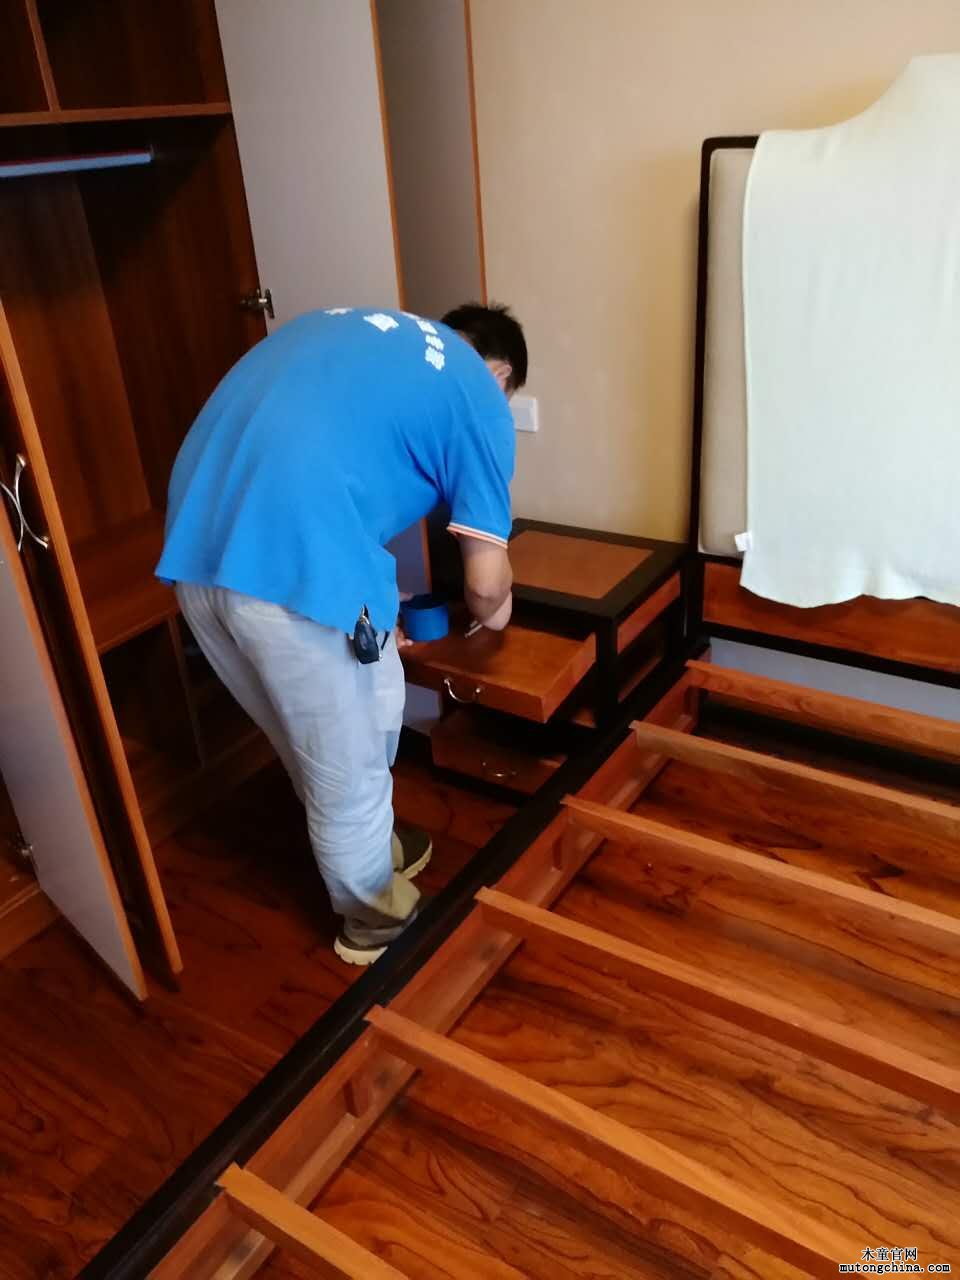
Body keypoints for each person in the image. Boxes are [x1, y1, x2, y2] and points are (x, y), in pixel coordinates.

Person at [156, 302, 526, 964]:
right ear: (500, 374)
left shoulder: (372, 333)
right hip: (291, 569)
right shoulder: (478, 393)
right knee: (347, 765)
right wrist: (496, 611)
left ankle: (371, 851)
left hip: (197, 555)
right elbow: (485, 587)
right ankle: (372, 919)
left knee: (331, 728)